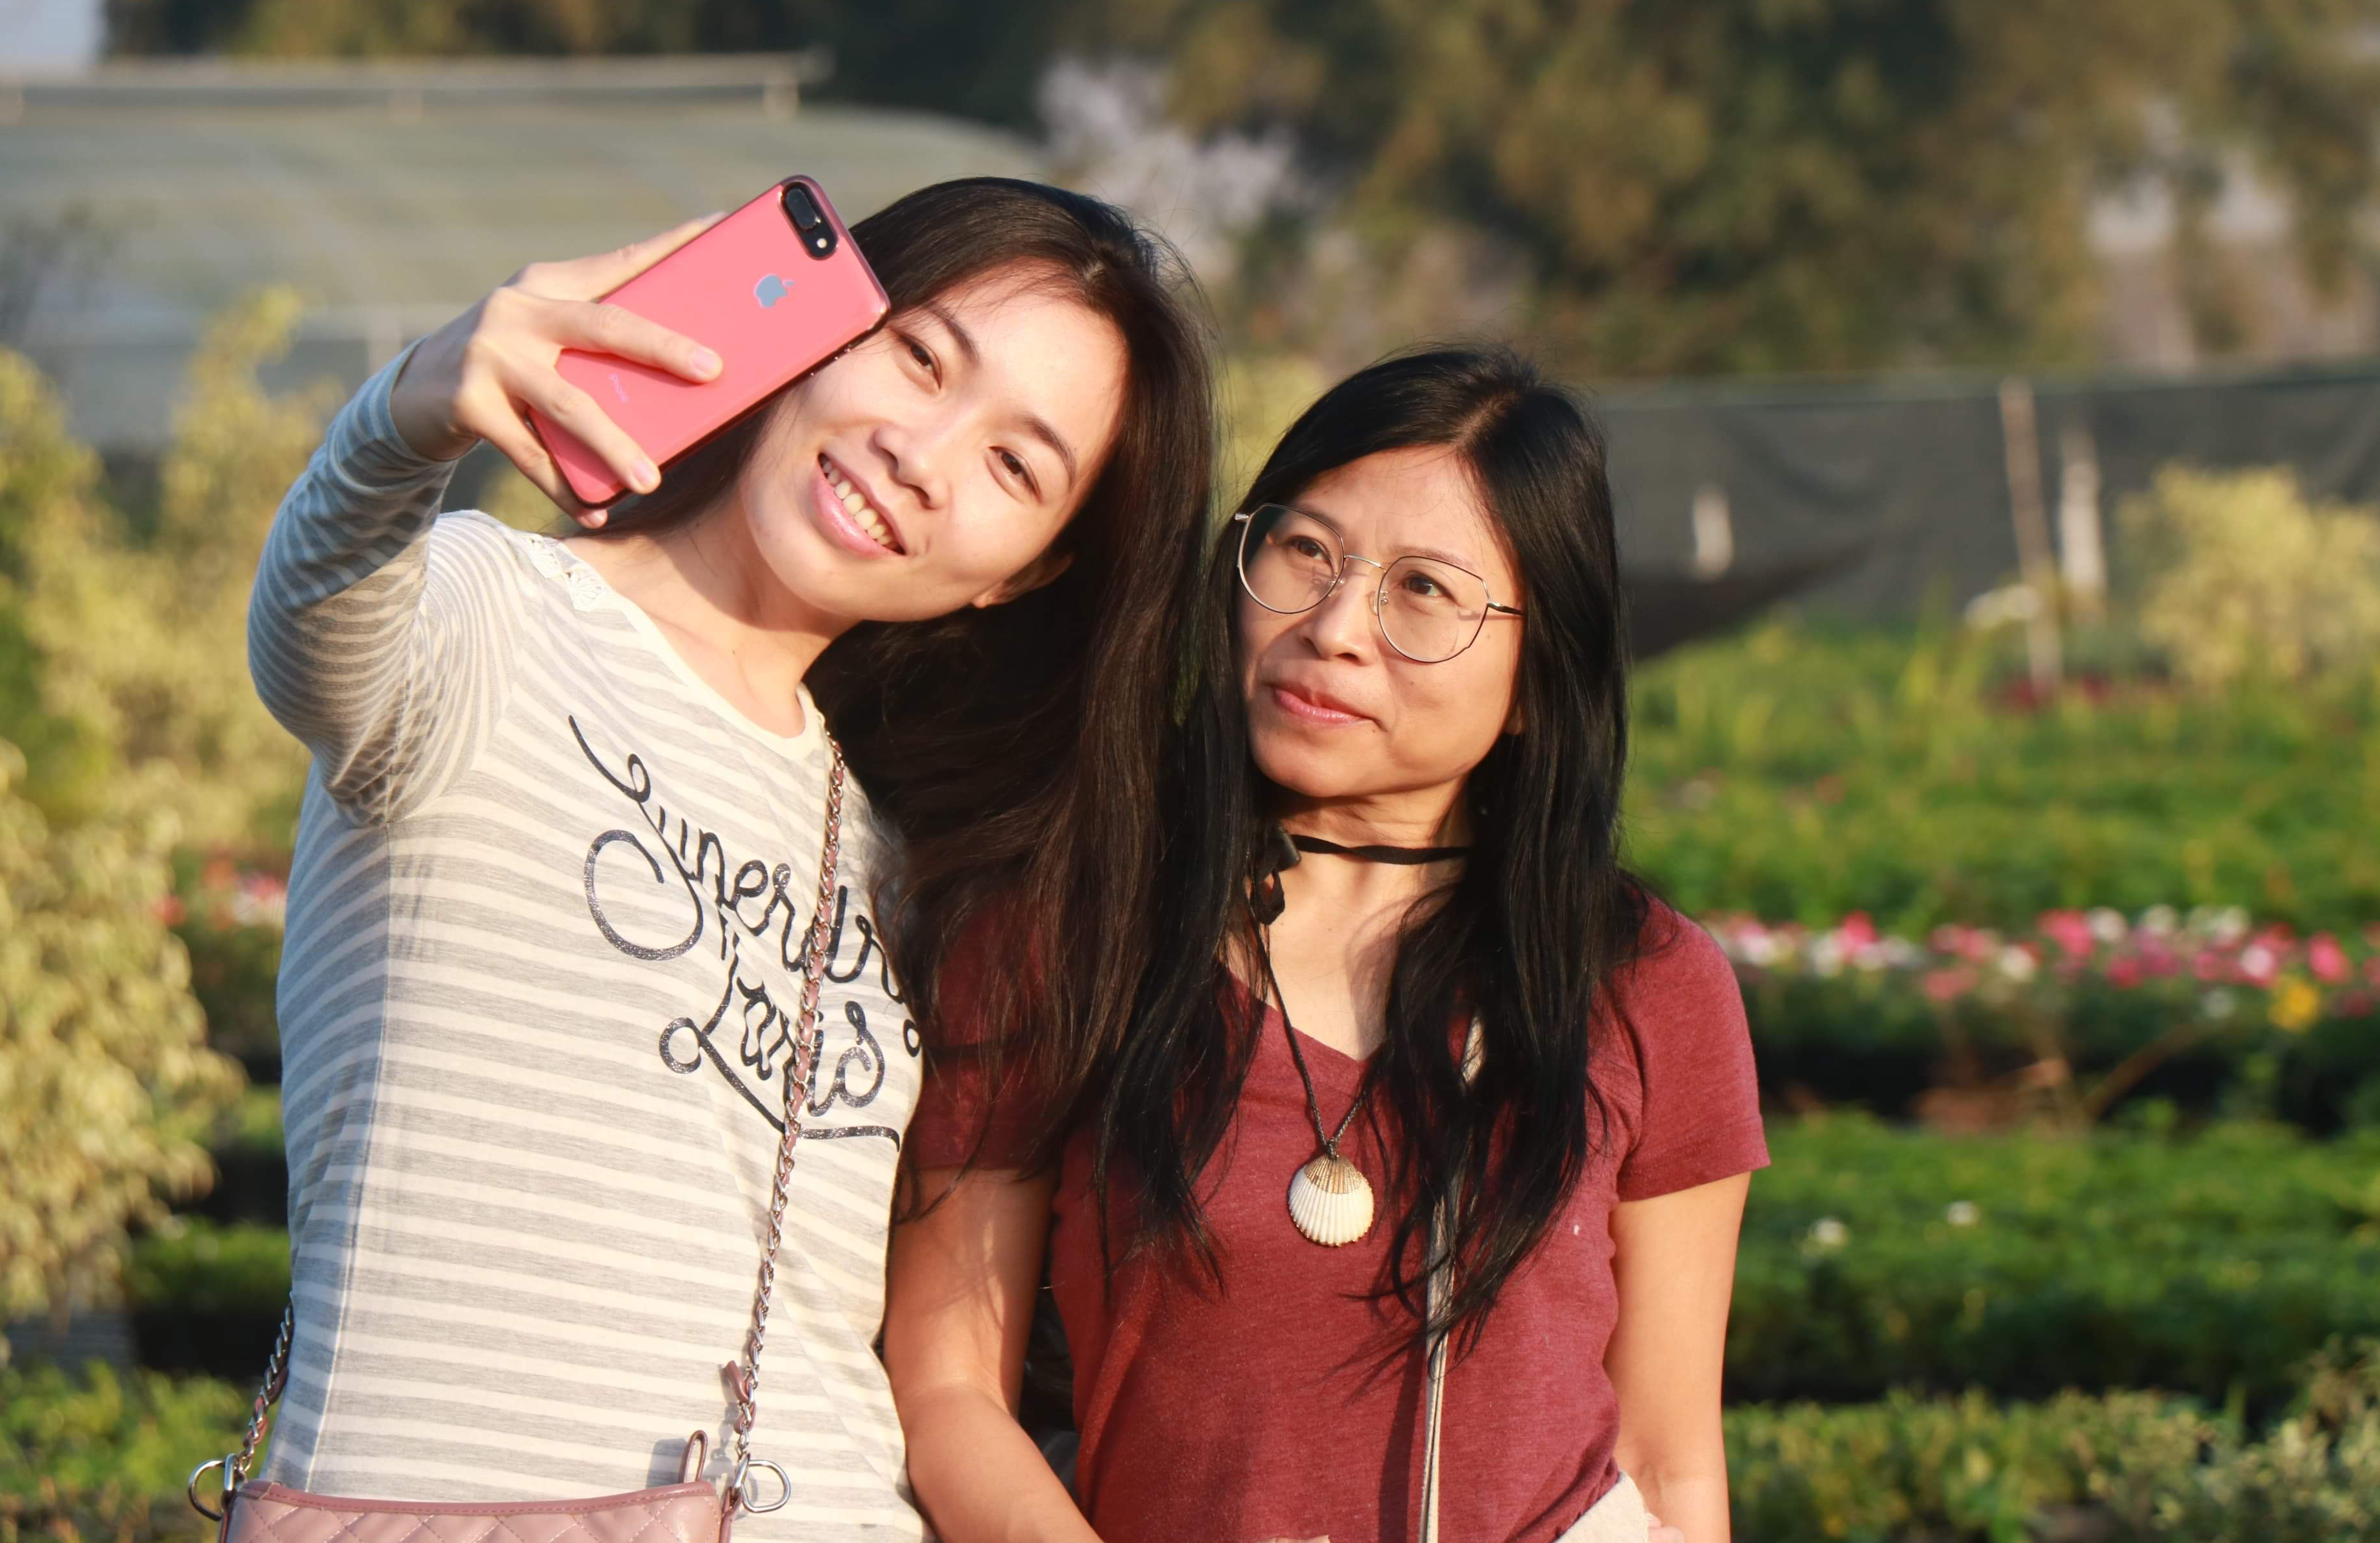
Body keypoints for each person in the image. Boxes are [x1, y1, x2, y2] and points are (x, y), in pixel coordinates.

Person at [245, 177, 1215, 1540]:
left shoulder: (886, 852)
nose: (922, 452)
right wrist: (409, 410)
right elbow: (309, 621)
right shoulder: (491, 617)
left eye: (1015, 466)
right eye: (921, 356)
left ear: (1025, 574)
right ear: (811, 329)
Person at [888, 346, 1769, 1543]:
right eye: (1305, 551)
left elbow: (1668, 1464)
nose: (1336, 628)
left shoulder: (1644, 982)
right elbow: (946, 1388)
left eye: (1424, 591)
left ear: (1535, 675)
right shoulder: (1062, 925)